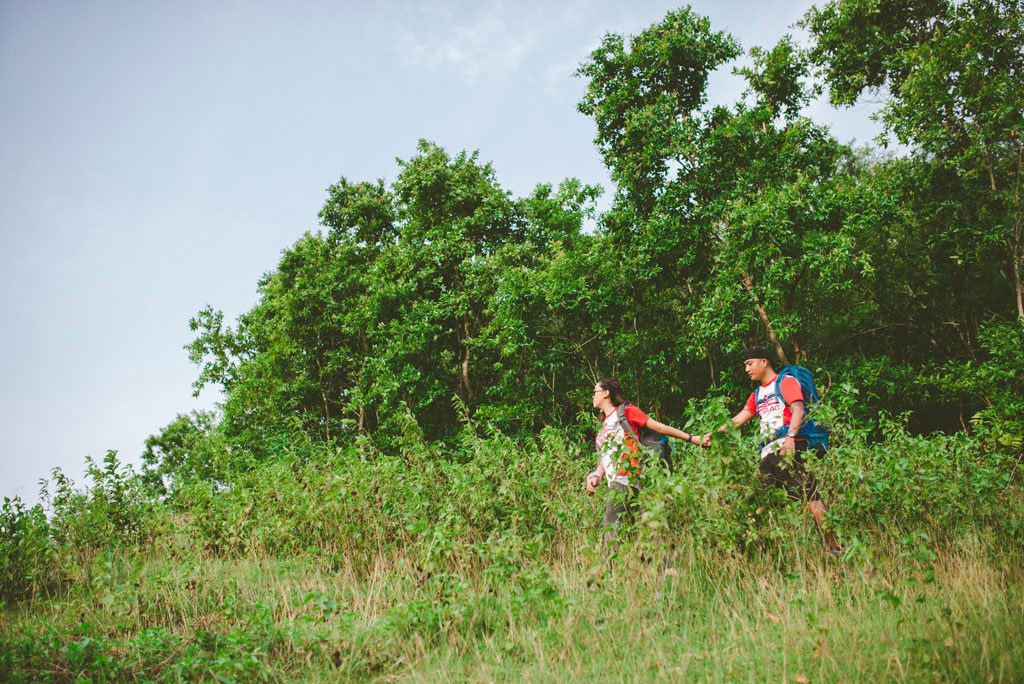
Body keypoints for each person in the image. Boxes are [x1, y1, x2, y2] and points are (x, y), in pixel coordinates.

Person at [702, 346, 840, 553]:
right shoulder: (757, 395)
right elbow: (738, 420)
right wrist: (715, 434)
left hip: (789, 448)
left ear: (764, 361)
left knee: (811, 496)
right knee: (759, 500)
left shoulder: (785, 382)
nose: (747, 369)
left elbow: (798, 409)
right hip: (767, 454)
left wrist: (791, 438)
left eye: (750, 364)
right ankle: (746, 550)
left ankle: (834, 546)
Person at [584, 377, 704, 561]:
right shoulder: (603, 426)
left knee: (610, 524)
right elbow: (603, 463)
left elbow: (660, 427)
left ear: (606, 393)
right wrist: (595, 476)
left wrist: (692, 438)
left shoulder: (626, 412)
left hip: (626, 477)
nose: (592, 396)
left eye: (595, 392)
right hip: (618, 481)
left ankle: (602, 579)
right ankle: (666, 569)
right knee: (643, 528)